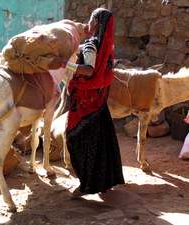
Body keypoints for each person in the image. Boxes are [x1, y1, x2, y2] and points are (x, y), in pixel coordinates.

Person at [49, 8, 125, 197]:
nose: (88, 23)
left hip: (84, 103)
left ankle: (86, 184)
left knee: (76, 138)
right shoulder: (107, 47)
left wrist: (64, 64)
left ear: (97, 22)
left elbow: (89, 71)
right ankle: (103, 181)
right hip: (98, 101)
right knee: (101, 141)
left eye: (90, 19)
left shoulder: (91, 45)